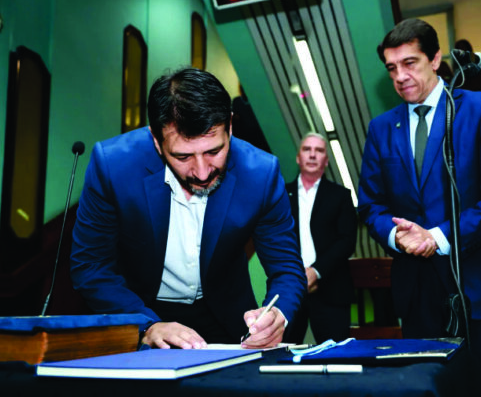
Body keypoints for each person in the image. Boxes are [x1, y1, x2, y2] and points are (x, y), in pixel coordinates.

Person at [70, 68, 307, 350]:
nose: (203, 172)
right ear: (156, 141)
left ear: (230, 127)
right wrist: (146, 325)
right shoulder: (112, 166)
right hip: (136, 312)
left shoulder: (261, 173)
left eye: (214, 151)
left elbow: (287, 269)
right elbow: (90, 265)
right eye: (183, 156)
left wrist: (277, 314)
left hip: (226, 321)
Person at [358, 19, 481, 397]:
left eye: (410, 63)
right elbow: (370, 205)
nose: (400, 76)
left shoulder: (480, 109)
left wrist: (437, 237)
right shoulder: (381, 128)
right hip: (417, 296)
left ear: (435, 59)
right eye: (391, 68)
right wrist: (395, 235)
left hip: (478, 291)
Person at [284, 132, 357, 344]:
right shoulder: (281, 195)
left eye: (319, 150)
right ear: (298, 158)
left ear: (326, 160)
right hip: (289, 289)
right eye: (307, 149)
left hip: (332, 291)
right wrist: (297, 275)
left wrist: (315, 272)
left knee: (336, 356)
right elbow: (273, 239)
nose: (312, 155)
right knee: (282, 353)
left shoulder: (341, 195)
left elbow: (346, 241)